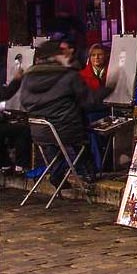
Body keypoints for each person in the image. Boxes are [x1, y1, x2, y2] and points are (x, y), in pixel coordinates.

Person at [17, 38, 111, 182]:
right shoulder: (69, 75)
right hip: (68, 130)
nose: (71, 52)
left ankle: (57, 172)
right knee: (83, 138)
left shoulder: (30, 75)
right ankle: (87, 173)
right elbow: (89, 100)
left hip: (40, 132)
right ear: (55, 56)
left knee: (55, 144)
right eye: (65, 52)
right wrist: (112, 86)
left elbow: (24, 102)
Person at [79, 43, 110, 171]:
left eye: (100, 55)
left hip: (109, 110)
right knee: (93, 131)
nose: (96, 58)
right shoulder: (82, 75)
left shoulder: (110, 72)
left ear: (105, 56)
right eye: (93, 55)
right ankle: (98, 166)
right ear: (89, 57)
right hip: (91, 113)